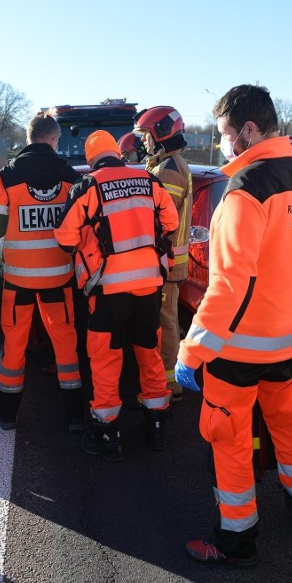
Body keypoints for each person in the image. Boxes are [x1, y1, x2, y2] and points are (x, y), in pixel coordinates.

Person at [175, 85, 292, 565]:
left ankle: (235, 540)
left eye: (224, 133)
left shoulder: (243, 192)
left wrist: (191, 351)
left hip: (238, 349)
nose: (221, 143)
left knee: (230, 441)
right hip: (286, 342)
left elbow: (228, 286)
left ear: (248, 129)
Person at [55, 130, 178, 461]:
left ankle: (107, 431)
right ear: (118, 154)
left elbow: (65, 239)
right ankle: (156, 426)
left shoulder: (88, 186)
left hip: (109, 290)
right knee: (149, 353)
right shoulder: (148, 181)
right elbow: (171, 221)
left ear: (91, 159)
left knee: (106, 359)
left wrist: (88, 235)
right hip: (149, 286)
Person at [0, 115, 86, 432]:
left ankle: (7, 415)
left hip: (18, 281)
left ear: (29, 139)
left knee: (14, 346)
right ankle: (73, 416)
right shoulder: (70, 177)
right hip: (59, 279)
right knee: (66, 349)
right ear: (54, 140)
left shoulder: (6, 177)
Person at [133, 106, 193, 402]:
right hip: (169, 263)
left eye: (145, 136)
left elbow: (159, 219)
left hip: (167, 264)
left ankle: (170, 385)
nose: (143, 142)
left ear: (160, 133)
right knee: (168, 322)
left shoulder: (169, 170)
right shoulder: (167, 164)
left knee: (166, 325)